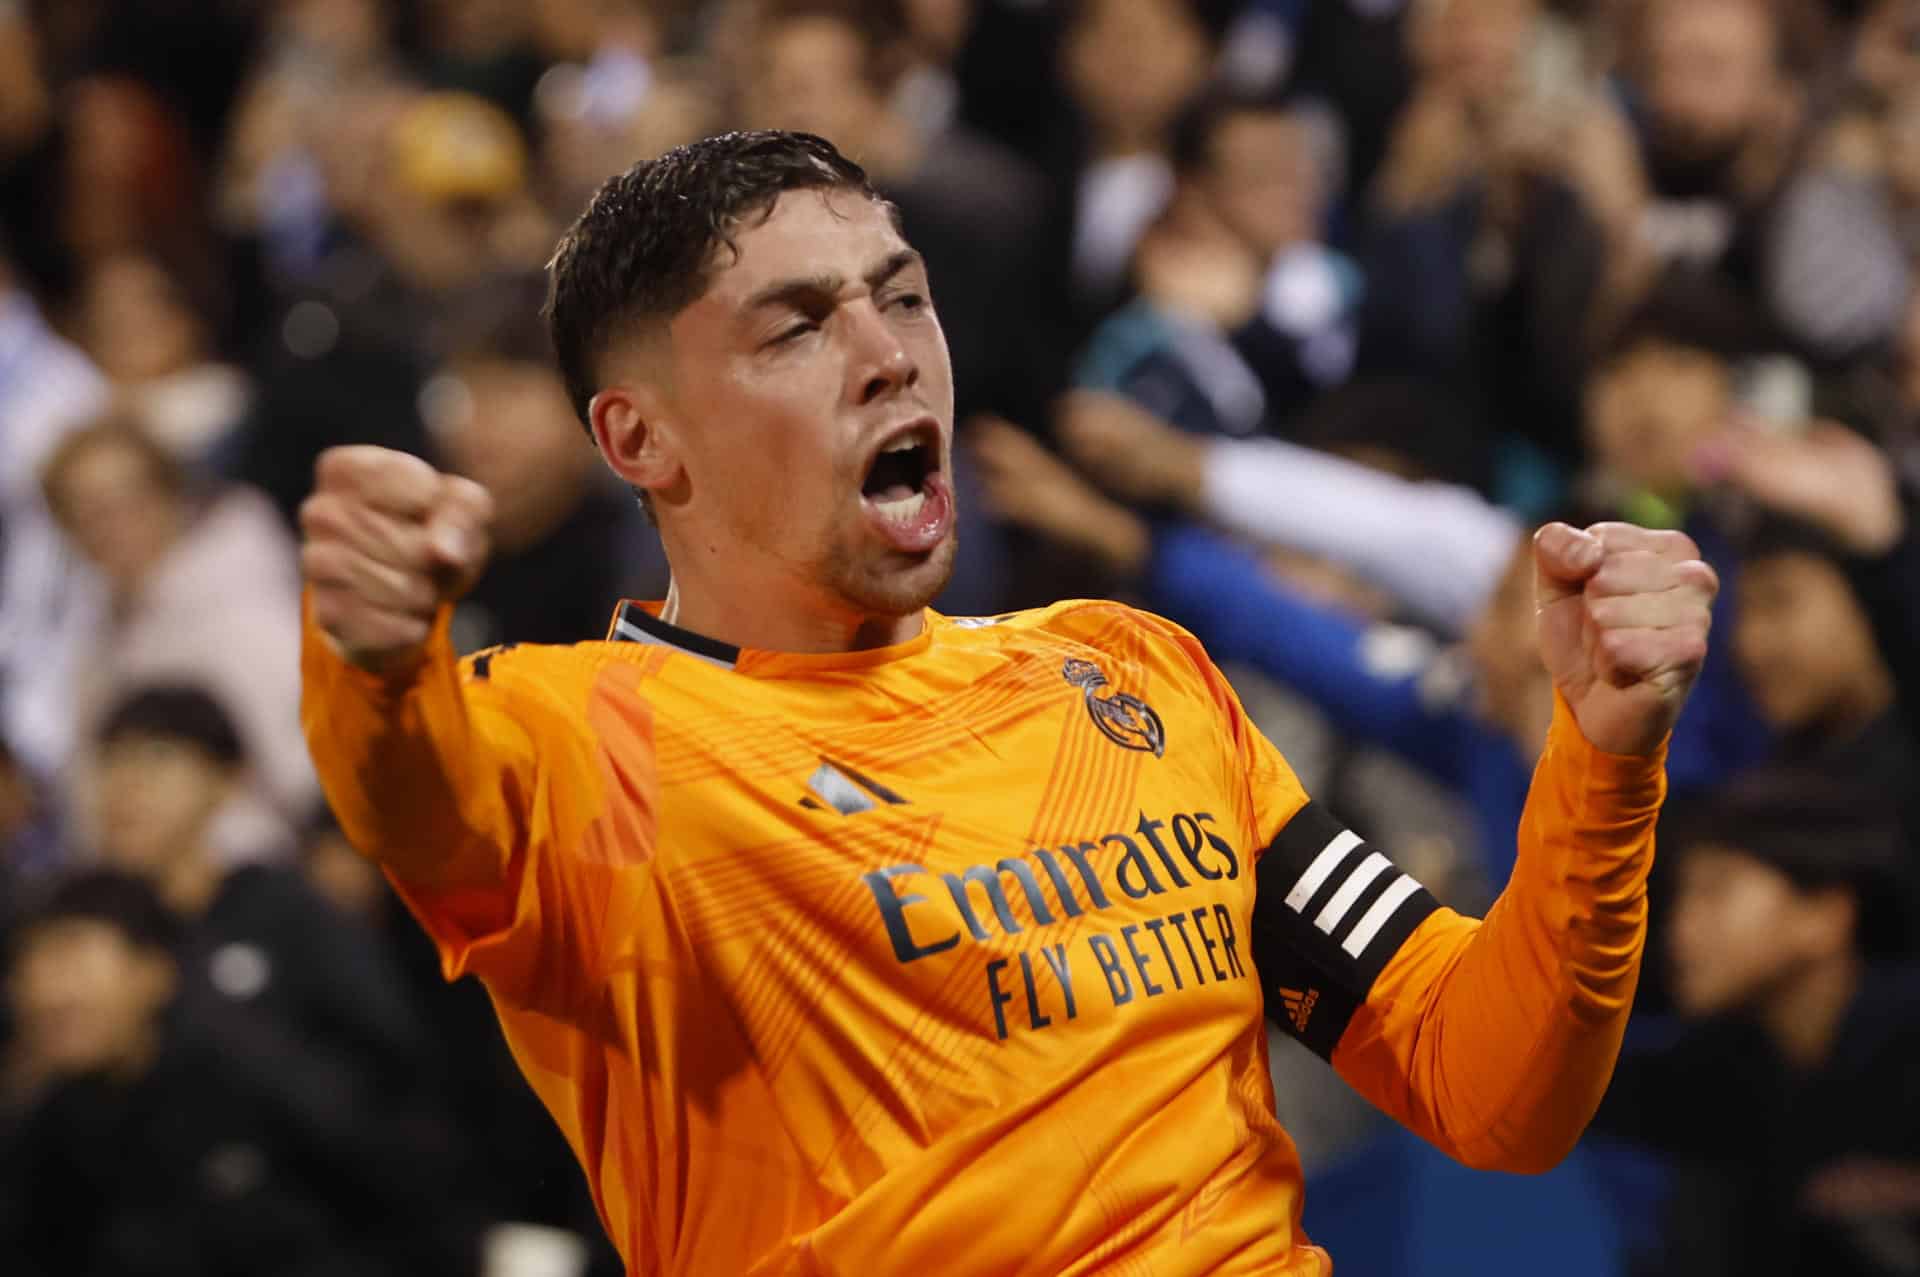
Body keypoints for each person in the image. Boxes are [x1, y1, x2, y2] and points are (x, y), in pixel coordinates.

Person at [299, 130, 1717, 1274]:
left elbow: (1492, 1085)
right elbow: (413, 790)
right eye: (796, 327)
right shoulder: (587, 736)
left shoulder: (1129, 674)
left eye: (902, 296)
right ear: (639, 437)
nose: (890, 351)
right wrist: (368, 655)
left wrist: (1601, 763)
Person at [0, 868, 454, 1277]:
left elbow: (412, 1200)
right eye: (27, 969)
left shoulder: (259, 1078)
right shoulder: (49, 1132)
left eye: (70, 960)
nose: (46, 992)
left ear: (155, 971)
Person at [1597, 771, 1920, 1276]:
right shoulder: (1725, 1075)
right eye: (1684, 896)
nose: (1682, 928)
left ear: (1825, 915)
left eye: (1715, 891)